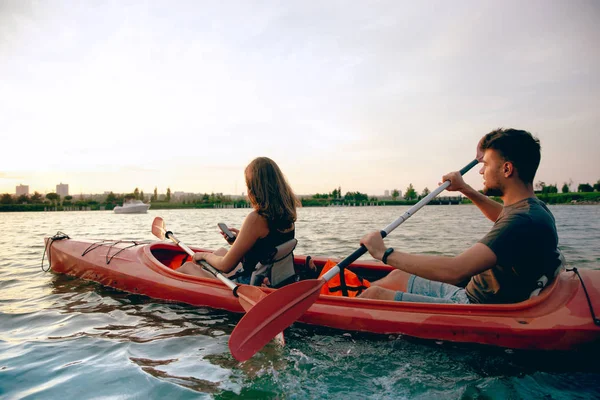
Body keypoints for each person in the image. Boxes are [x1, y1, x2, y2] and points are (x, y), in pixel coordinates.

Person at [358, 128, 562, 304]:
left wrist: (383, 253)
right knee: (398, 276)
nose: (481, 171)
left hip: (473, 304)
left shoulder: (520, 221)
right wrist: (465, 189)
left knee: (375, 295)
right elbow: (501, 215)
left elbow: (455, 271)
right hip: (473, 292)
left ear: (507, 169)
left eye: (487, 164)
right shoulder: (532, 210)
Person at [177, 157, 300, 285]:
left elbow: (225, 266)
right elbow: (268, 246)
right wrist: (239, 240)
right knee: (221, 252)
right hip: (269, 277)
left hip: (247, 284)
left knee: (188, 267)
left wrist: (204, 255)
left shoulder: (256, 218)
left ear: (255, 188)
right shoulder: (288, 214)